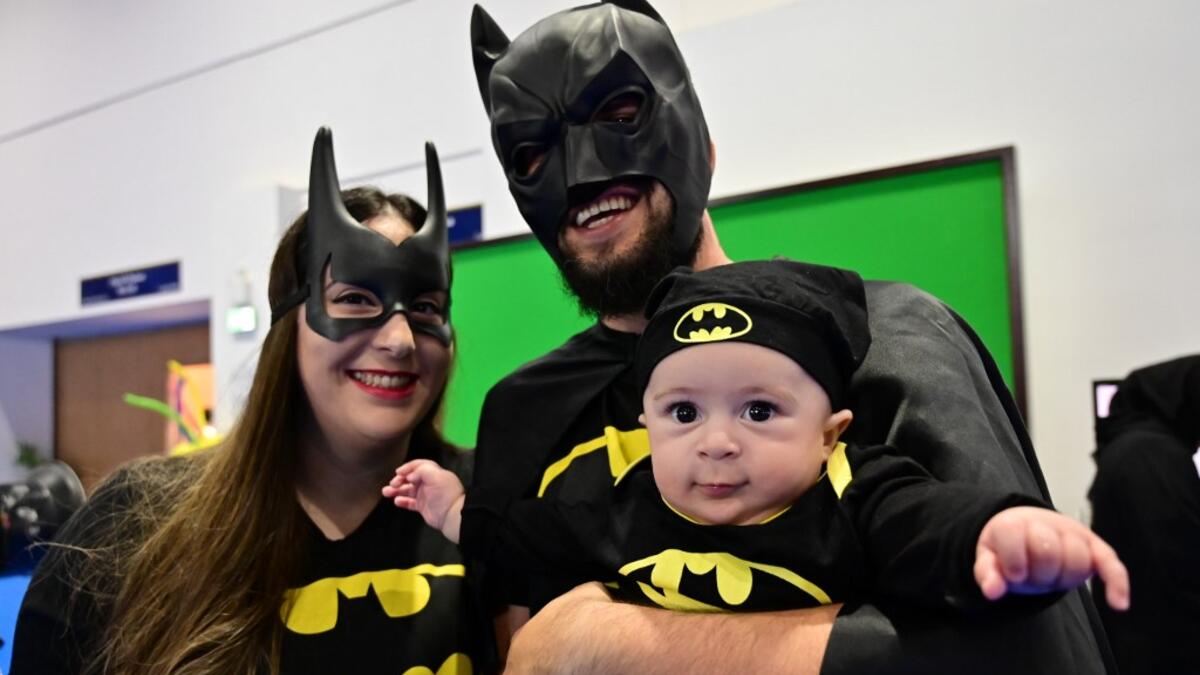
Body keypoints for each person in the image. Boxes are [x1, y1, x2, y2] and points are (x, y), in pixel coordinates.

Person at [466, 1, 1117, 673]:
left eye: (622, 115)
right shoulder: (524, 413)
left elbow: (1032, 649)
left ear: (705, 148)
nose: (580, 174)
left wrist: (618, 644)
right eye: (530, 154)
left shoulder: (885, 342)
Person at [390, 261, 1129, 616]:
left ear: (831, 433)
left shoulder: (853, 491)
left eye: (758, 412)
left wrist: (1001, 531)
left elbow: (928, 523)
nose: (716, 442)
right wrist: (455, 509)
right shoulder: (623, 502)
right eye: (683, 414)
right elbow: (533, 540)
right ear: (646, 425)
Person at [10, 129, 480, 674]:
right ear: (289, 322)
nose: (399, 340)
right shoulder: (136, 522)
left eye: (425, 308)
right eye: (355, 299)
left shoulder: (487, 505)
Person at [1089, 354, 1200, 675]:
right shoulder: (1151, 454)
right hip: (1160, 647)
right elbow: (1179, 559)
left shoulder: (1132, 447)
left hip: (1136, 639)